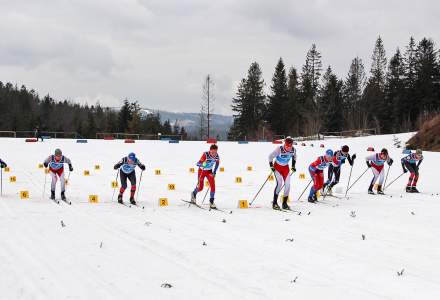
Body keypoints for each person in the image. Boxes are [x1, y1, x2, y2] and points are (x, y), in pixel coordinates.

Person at [268, 136, 297, 210]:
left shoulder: (293, 150)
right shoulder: (279, 149)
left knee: (288, 184)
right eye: (287, 146)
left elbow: (294, 157)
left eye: (290, 146)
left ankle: (284, 203)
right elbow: (270, 156)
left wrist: (293, 166)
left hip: (285, 168)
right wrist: (271, 166)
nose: (288, 148)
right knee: (279, 183)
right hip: (277, 167)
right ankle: (274, 203)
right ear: (285, 144)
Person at [191, 144, 220, 209]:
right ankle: (193, 194)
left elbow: (217, 163)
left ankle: (211, 201)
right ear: (210, 151)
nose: (213, 154)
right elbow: (197, 163)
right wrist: (203, 164)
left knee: (213, 185)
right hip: (202, 171)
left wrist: (214, 172)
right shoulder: (205, 154)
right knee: (201, 188)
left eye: (215, 152)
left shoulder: (217, 156)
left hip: (209, 172)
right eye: (212, 152)